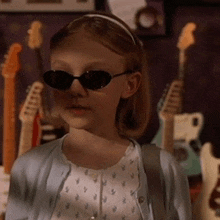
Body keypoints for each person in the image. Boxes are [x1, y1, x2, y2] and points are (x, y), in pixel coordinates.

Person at [5, 12, 192, 220]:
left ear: (130, 85)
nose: (75, 89)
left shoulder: (162, 170)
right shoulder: (29, 168)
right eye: (62, 76)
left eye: (94, 77)